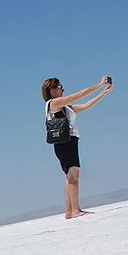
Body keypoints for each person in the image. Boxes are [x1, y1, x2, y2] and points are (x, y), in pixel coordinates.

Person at [42, 75, 114, 219]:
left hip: (69, 141)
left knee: (70, 176)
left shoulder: (64, 107)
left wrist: (103, 93)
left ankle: (69, 211)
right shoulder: (54, 103)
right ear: (51, 90)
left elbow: (85, 105)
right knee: (73, 174)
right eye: (59, 87)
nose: (62, 89)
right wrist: (100, 84)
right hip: (65, 143)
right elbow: (80, 95)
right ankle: (75, 210)